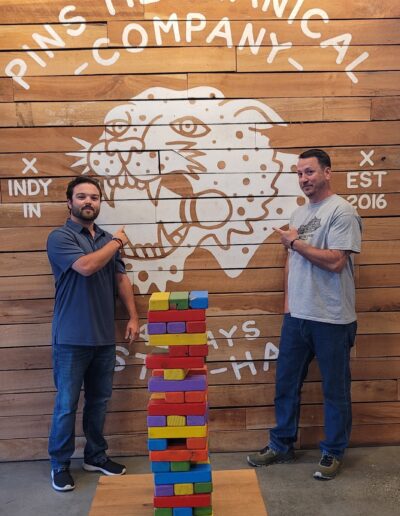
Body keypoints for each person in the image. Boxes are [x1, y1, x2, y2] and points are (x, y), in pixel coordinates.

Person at [247, 148, 362, 480]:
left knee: (335, 390)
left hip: (332, 318)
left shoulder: (342, 212)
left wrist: (295, 243)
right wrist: (288, 304)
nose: (303, 179)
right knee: (286, 384)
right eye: (299, 173)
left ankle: (333, 452)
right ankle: (282, 445)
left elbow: (336, 261)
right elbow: (291, 262)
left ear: (327, 172)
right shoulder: (298, 214)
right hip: (297, 317)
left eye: (309, 172)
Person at [47, 176, 139, 491]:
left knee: (99, 402)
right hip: (70, 339)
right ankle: (59, 465)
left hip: (103, 338)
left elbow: (120, 278)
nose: (89, 201)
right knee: (66, 405)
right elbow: (86, 266)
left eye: (94, 197)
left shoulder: (105, 238)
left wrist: (133, 316)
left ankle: (95, 457)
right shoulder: (60, 237)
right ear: (69, 202)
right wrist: (117, 243)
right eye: (82, 196)